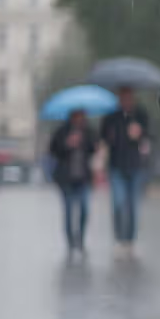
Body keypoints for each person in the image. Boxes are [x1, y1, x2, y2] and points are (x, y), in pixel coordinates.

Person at [99, 85, 151, 255]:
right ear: (119, 98)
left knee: (133, 206)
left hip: (135, 167)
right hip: (116, 167)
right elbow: (102, 139)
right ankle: (119, 239)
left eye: (129, 96)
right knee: (119, 203)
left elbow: (149, 138)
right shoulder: (111, 118)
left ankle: (130, 240)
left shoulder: (141, 115)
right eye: (123, 97)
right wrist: (109, 139)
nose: (127, 100)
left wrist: (140, 134)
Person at [48, 108, 98, 256]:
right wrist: (68, 144)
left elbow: (93, 149)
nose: (79, 118)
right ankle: (70, 241)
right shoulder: (62, 131)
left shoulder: (88, 131)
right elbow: (53, 150)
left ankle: (80, 238)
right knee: (69, 211)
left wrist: (87, 142)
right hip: (66, 179)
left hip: (83, 178)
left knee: (84, 209)